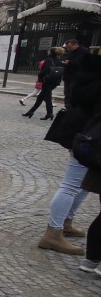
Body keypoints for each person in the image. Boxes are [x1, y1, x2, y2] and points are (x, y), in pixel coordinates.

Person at [40, 45, 101, 254]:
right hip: (89, 133)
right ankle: (53, 232)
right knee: (72, 184)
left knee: (83, 182)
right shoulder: (96, 79)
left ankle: (65, 221)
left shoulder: (85, 74)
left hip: (82, 129)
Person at [23, 47, 65, 120]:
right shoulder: (59, 61)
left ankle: (49, 113)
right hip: (55, 82)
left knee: (47, 98)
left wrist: (40, 79)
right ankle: (31, 111)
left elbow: (44, 71)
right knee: (40, 97)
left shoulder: (48, 60)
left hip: (47, 81)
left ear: (51, 52)